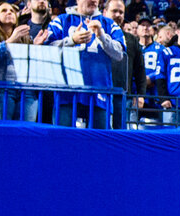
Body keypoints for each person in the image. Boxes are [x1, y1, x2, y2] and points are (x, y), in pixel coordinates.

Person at [46, 0, 126, 129]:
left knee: (100, 139)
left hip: (100, 90)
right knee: (63, 137)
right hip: (66, 90)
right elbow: (47, 50)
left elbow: (119, 54)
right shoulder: (61, 20)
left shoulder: (109, 24)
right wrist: (71, 40)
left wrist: (101, 36)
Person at [0, 1, 44, 121]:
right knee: (2, 130)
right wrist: (10, 41)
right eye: (4, 10)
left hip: (26, 91)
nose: (9, 12)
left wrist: (34, 47)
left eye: (12, 11)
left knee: (25, 131)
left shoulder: (25, 37)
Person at [105, 0, 145, 129]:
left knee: (121, 133)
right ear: (105, 12)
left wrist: (141, 95)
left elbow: (140, 70)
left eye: (121, 12)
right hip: (99, 93)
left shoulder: (131, 39)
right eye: (114, 11)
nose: (118, 15)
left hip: (123, 95)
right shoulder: (95, 36)